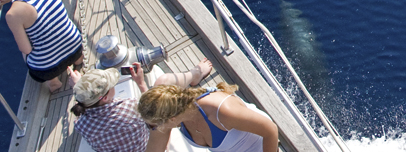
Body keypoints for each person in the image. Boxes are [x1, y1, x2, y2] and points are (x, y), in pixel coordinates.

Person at [70, 58, 213, 152]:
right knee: (162, 81)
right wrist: (141, 83)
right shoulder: (131, 108)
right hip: (153, 148)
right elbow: (153, 109)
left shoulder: (81, 125)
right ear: (105, 97)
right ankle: (194, 75)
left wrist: (82, 88)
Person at [0, 0, 83, 92]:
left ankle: (53, 82)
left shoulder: (12, 14)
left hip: (48, 69)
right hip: (76, 46)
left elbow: (26, 49)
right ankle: (78, 60)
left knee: (25, 52)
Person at [138, 82, 279, 152]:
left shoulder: (222, 111)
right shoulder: (174, 114)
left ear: (171, 119)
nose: (152, 129)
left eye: (151, 126)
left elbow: (271, 131)